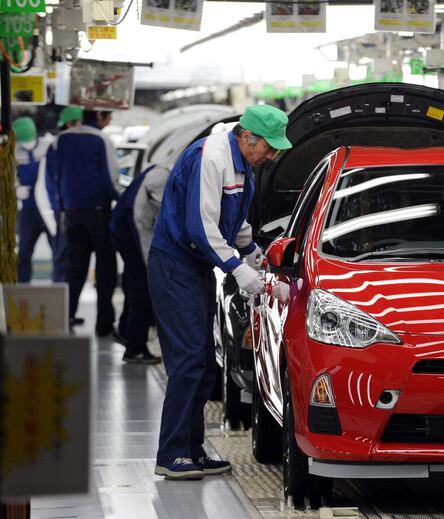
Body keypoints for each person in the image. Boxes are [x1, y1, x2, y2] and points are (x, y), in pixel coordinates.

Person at [149, 105, 291, 480]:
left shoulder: (243, 163)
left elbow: (235, 220)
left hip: (195, 267)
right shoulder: (209, 157)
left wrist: (254, 254)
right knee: (188, 360)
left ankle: (192, 450)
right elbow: (201, 227)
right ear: (248, 137)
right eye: (269, 148)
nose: (272, 156)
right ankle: (172, 452)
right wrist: (240, 271)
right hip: (174, 264)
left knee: (202, 359)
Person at [56, 109, 121, 335]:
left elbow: (55, 175)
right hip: (97, 213)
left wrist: (63, 205)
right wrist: (122, 200)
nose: (110, 121)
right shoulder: (102, 139)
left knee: (75, 267)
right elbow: (110, 179)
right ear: (101, 117)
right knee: (105, 269)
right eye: (109, 117)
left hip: (71, 213)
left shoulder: (62, 139)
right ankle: (103, 324)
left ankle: (67, 316)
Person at [110, 164, 164, 364]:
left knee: (133, 286)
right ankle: (136, 348)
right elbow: (160, 215)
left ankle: (125, 330)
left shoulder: (154, 171)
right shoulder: (160, 179)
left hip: (123, 232)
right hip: (132, 236)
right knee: (142, 289)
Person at [35, 106, 85, 285]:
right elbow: (46, 186)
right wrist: (53, 217)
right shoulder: (57, 147)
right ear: (72, 124)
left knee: (74, 261)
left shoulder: (69, 146)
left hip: (71, 211)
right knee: (63, 259)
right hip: (62, 213)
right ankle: (61, 305)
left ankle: (68, 308)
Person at [13, 117, 53, 283]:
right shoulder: (14, 152)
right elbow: (8, 176)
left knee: (60, 251)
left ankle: (61, 286)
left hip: (50, 210)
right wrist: (16, 188)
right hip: (28, 211)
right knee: (24, 252)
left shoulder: (49, 147)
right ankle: (22, 288)